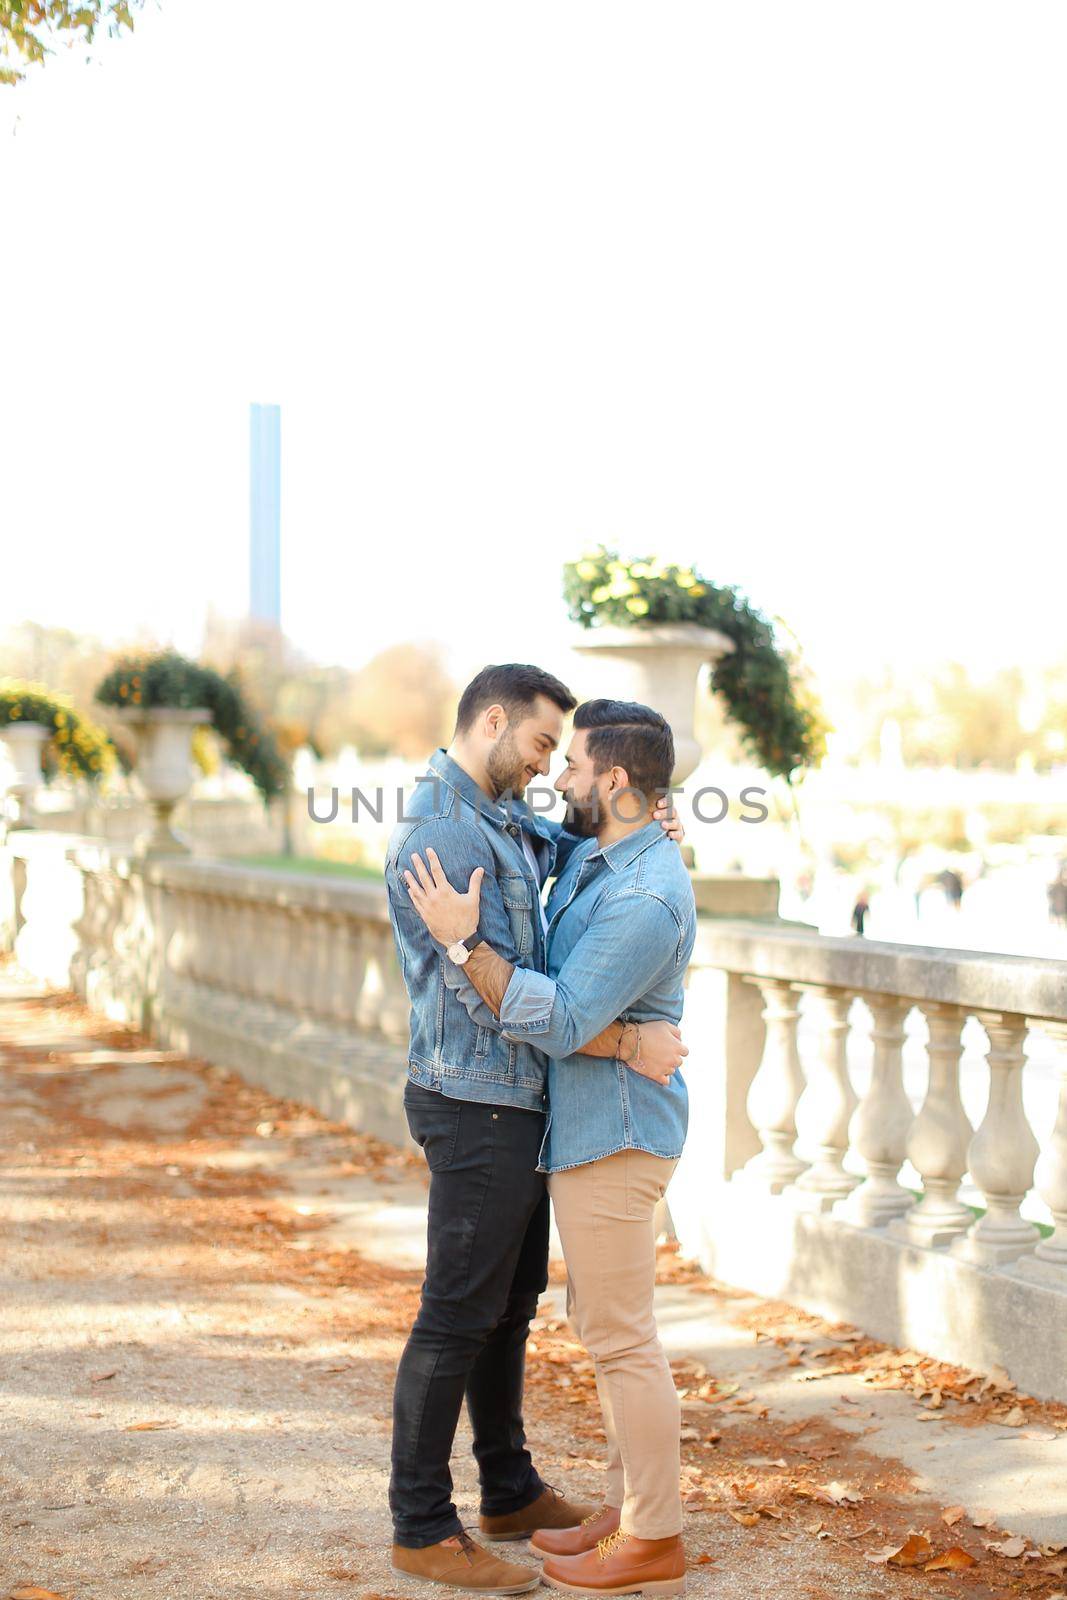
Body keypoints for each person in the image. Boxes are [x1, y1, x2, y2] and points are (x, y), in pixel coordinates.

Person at [384, 666, 688, 1594]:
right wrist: (632, 1037)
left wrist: (653, 829)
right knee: (459, 1313)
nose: (551, 768)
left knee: (508, 1311)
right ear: (491, 721)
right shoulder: (446, 828)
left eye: (567, 756)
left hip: (526, 1106)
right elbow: (521, 998)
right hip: (476, 1098)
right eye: (541, 745)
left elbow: (585, 858)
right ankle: (421, 1525)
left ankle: (510, 1492)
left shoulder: (505, 818)